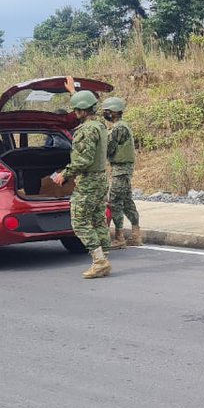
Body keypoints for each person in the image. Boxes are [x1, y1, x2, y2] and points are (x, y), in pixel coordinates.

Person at [51, 90, 112, 279]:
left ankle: (99, 262)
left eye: (77, 109)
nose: (75, 112)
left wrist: (65, 174)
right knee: (97, 219)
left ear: (83, 110)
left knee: (79, 221)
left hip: (89, 181)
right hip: (101, 178)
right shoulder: (100, 126)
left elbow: (83, 160)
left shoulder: (86, 130)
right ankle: (104, 258)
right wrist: (74, 92)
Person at [102, 97, 141, 250]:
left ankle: (119, 237)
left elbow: (108, 148)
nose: (105, 114)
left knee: (115, 203)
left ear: (113, 112)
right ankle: (136, 234)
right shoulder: (124, 126)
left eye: (107, 112)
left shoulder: (118, 128)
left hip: (120, 170)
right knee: (127, 202)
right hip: (124, 170)